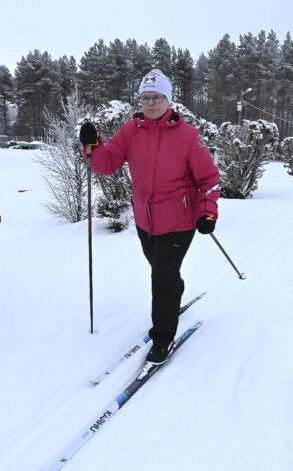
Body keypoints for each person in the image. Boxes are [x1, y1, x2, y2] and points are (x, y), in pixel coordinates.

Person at [79, 69, 220, 365]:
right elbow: (105, 164)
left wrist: (208, 212)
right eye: (145, 98)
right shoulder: (131, 132)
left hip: (180, 222)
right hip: (146, 222)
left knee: (161, 277)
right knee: (162, 272)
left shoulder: (189, 137)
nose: (150, 103)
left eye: (156, 97)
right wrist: (92, 146)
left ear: (168, 99)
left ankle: (163, 338)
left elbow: (209, 179)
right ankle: (175, 289)